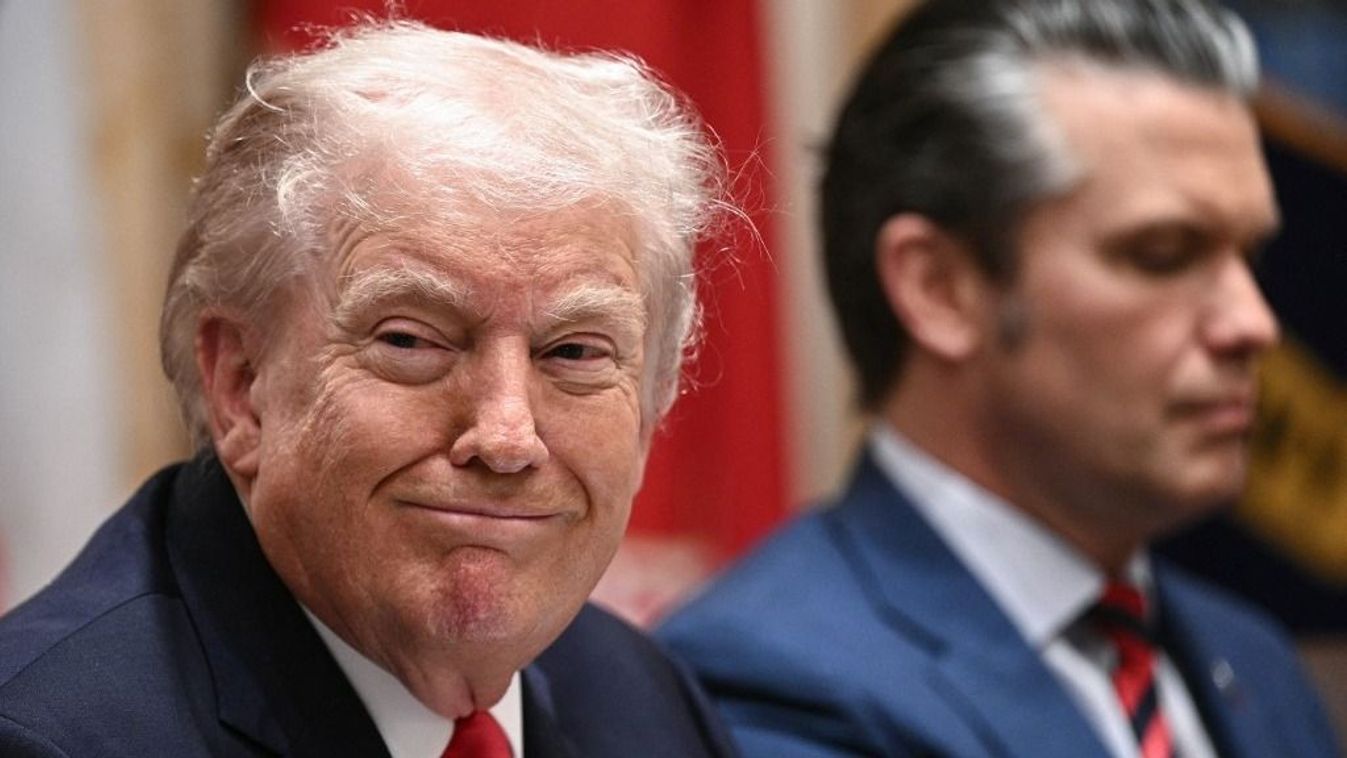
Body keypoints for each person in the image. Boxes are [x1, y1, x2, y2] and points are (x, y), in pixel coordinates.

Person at [0, 21, 737, 758]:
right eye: (411, 341)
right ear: (242, 386)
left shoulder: (643, 700)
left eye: (573, 352)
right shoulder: (51, 738)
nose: (507, 438)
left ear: (650, 408)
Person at [659, 1, 1340, 756]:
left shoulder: (1252, 660)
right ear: (940, 289)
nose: (1252, 324)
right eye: (1161, 254)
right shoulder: (770, 681)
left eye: (1248, 257)